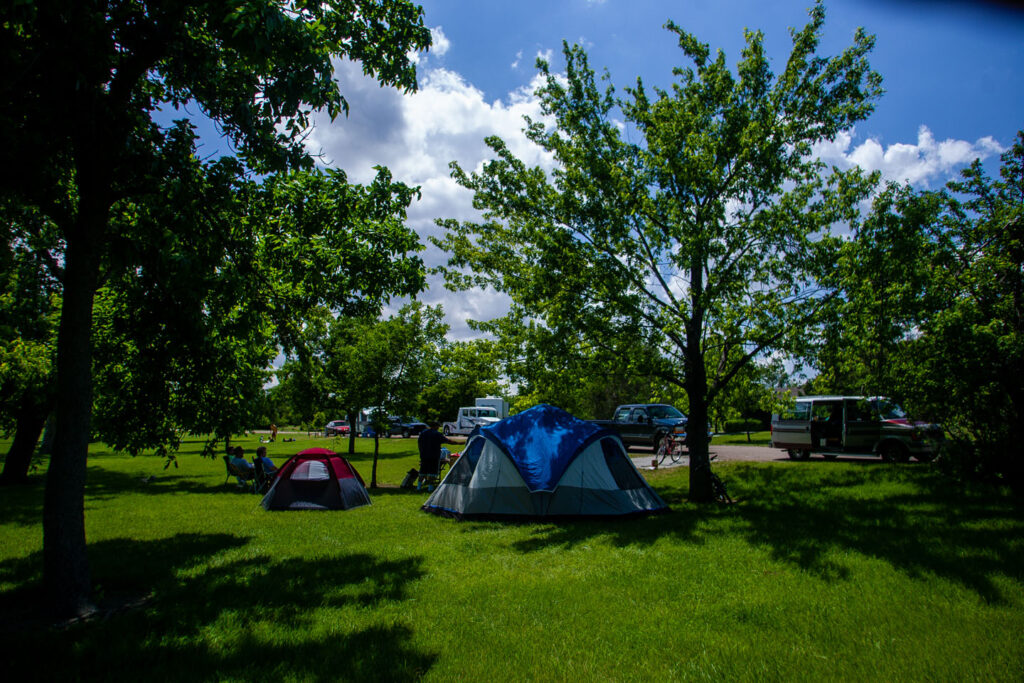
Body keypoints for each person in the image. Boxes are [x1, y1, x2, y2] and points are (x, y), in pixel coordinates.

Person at [417, 422, 454, 489]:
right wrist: (460, 443)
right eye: (438, 426)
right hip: (433, 456)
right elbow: (448, 441)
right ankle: (430, 487)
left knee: (422, 471)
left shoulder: (423, 433)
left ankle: (419, 487)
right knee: (432, 472)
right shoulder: (436, 434)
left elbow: (419, 443)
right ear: (435, 426)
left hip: (424, 455)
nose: (438, 428)